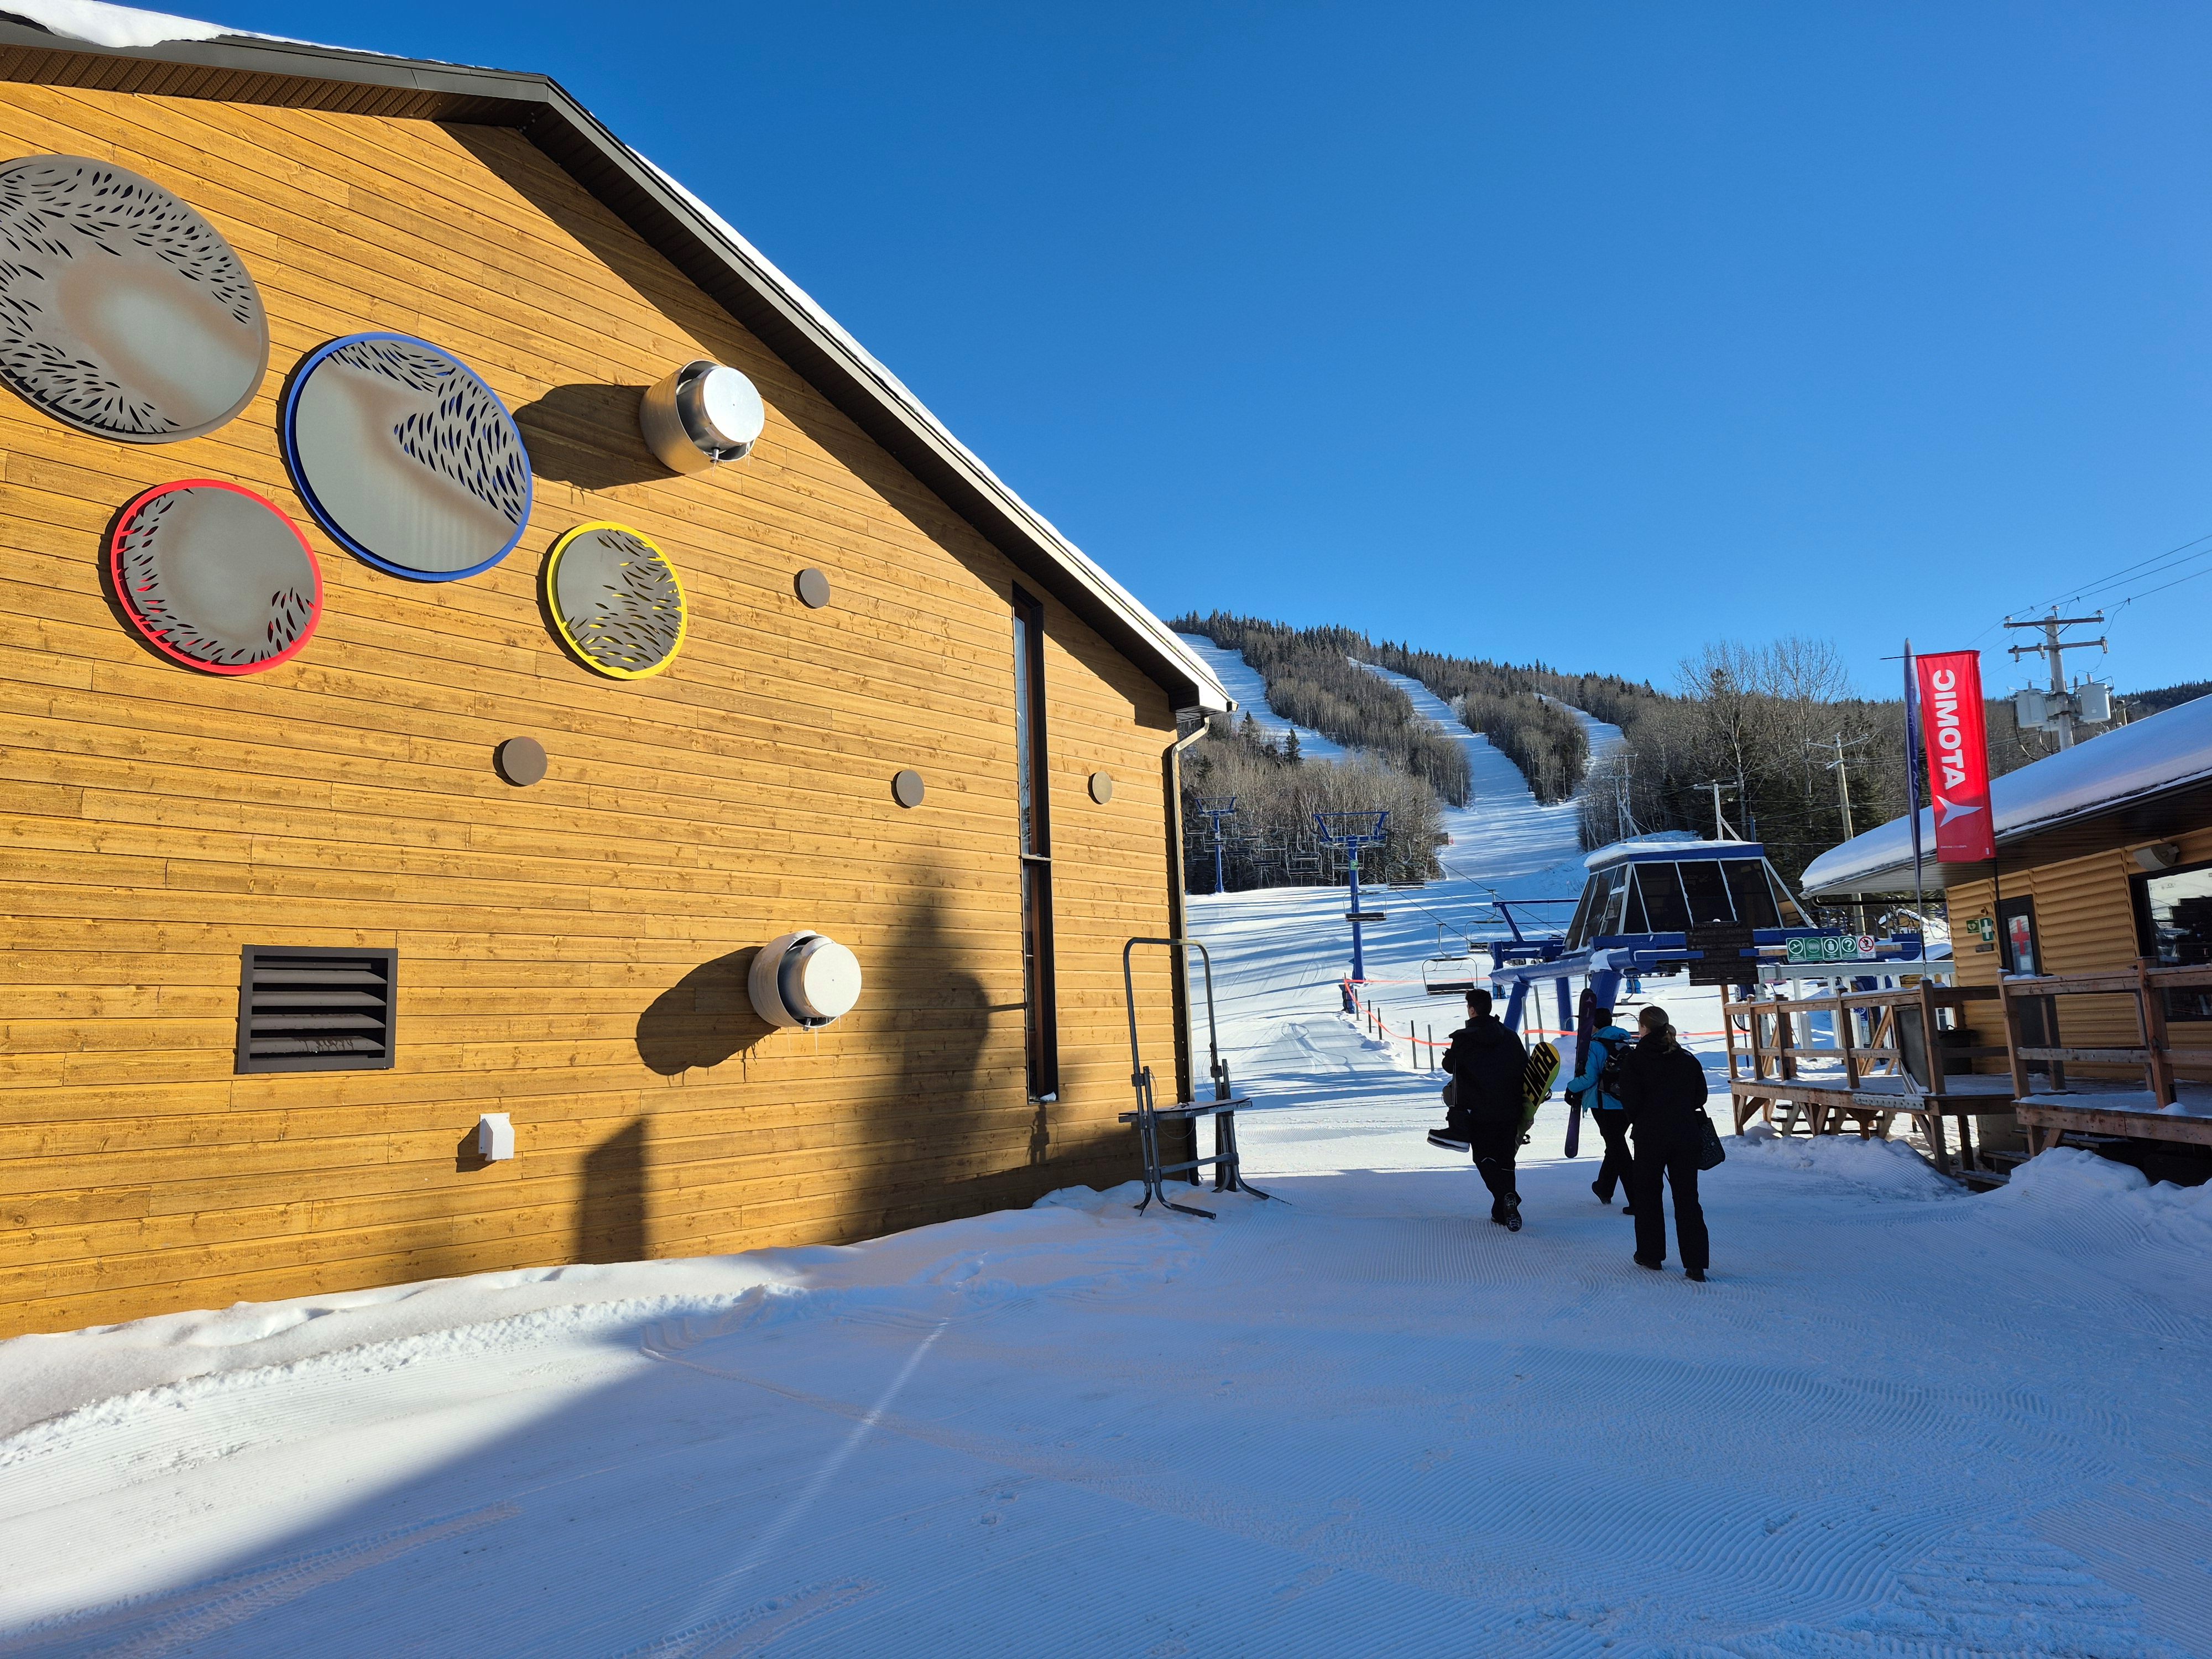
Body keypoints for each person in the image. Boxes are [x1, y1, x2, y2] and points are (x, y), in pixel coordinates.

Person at [1615, 1004, 1712, 1280]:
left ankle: (1651, 1254)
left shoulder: (1635, 1060)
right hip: (1685, 1134)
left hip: (1649, 1136)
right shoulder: (1686, 1058)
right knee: (1687, 1198)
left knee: (1648, 1195)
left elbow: (1629, 1101)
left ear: (1643, 1029)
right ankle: (1695, 1264)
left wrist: (1644, 1117)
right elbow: (1700, 1097)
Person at [1440, 988, 1529, 1230]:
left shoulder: (1465, 1038)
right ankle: (1502, 1211)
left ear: (1471, 1009)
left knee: (1483, 1158)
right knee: (1505, 1158)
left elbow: (1450, 1066)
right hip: (1510, 1107)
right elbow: (1524, 1066)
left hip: (1478, 1110)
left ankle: (1507, 1196)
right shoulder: (1510, 1036)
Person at [1563, 1005, 1635, 1211]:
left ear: (1593, 1025)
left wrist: (1571, 1088)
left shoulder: (1595, 1045)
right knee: (1615, 1145)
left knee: (1619, 1151)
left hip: (1603, 1104)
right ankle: (1604, 1187)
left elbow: (1590, 1077)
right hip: (1626, 1102)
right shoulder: (1624, 1040)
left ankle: (1637, 1199)